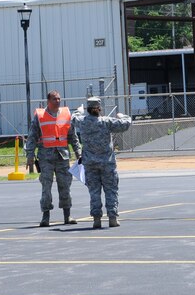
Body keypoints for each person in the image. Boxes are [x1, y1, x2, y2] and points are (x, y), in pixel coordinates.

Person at [71, 96, 132, 229]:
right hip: (107, 163)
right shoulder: (106, 122)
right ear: (99, 108)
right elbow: (126, 123)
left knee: (94, 192)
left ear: (88, 109)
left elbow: (73, 118)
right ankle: (112, 218)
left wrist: (79, 111)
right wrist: (122, 115)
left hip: (90, 164)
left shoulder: (83, 121)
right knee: (111, 190)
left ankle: (96, 219)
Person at [26, 90, 82, 227]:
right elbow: (32, 136)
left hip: (62, 157)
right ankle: (46, 216)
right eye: (54, 99)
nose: (57, 101)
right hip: (46, 158)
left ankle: (67, 216)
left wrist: (79, 153)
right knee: (46, 187)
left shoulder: (66, 114)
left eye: (59, 99)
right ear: (48, 101)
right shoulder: (40, 116)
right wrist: (30, 155)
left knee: (65, 186)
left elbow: (73, 137)